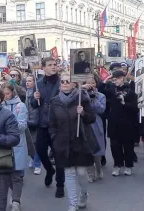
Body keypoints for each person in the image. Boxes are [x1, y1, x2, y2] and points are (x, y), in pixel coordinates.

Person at [49, 72, 97, 211]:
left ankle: (83, 194)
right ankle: (72, 204)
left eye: (67, 81)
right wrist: (54, 138)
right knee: (69, 174)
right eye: (62, 81)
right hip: (63, 143)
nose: (65, 83)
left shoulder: (82, 99)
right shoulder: (55, 101)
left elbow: (91, 119)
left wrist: (82, 113)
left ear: (74, 83)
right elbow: (52, 123)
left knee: (81, 172)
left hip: (80, 140)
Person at [30, 57, 65, 198]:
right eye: (50, 65)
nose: (53, 67)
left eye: (54, 64)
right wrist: (35, 97)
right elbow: (33, 104)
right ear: (43, 68)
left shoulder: (62, 82)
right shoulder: (38, 83)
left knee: (59, 156)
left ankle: (60, 184)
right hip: (43, 124)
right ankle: (49, 170)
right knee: (40, 151)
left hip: (58, 125)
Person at [104, 70, 139, 176]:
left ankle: (128, 166)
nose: (114, 82)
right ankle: (117, 165)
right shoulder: (111, 91)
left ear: (121, 78)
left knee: (128, 146)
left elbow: (135, 108)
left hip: (127, 123)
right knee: (115, 146)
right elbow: (101, 89)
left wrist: (125, 103)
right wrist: (106, 80)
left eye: (116, 79)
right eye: (113, 80)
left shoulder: (131, 92)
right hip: (114, 123)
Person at [2, 83, 29, 211]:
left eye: (7, 93)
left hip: (16, 145)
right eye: (3, 94)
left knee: (17, 175)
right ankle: (13, 195)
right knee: (5, 175)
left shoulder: (20, 106)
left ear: (13, 92)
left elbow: (22, 126)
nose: (5, 96)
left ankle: (16, 201)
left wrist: (7, 123)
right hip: (2, 144)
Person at [82, 75, 106, 182]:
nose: (91, 85)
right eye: (88, 83)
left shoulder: (101, 95)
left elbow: (101, 110)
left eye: (93, 82)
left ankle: (99, 168)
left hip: (96, 122)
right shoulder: (81, 94)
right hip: (85, 122)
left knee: (97, 149)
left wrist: (94, 99)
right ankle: (90, 173)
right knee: (87, 149)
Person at [25, 75, 41, 175]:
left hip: (34, 121)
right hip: (27, 119)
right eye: (26, 81)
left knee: (35, 144)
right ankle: (32, 158)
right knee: (28, 143)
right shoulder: (27, 92)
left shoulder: (37, 93)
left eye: (30, 81)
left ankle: (37, 164)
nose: (27, 83)